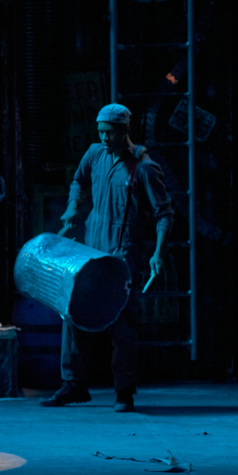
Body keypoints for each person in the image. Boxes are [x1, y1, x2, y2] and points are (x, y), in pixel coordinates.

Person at [41, 103, 174, 412]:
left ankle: (124, 390)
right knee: (71, 311)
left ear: (124, 131)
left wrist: (159, 252)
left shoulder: (143, 167)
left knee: (122, 322)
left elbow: (164, 213)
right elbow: (78, 180)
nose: (104, 138)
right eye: (100, 132)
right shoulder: (94, 154)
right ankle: (74, 383)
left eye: (110, 133)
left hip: (123, 254)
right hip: (91, 252)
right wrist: (75, 206)